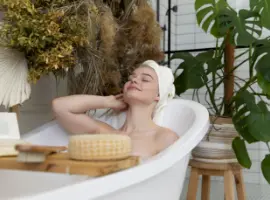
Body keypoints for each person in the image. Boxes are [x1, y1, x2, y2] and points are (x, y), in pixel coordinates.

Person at [52, 60, 179, 159]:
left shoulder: (164, 137)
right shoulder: (105, 133)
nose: (134, 80)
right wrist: (107, 101)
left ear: (158, 95)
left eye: (145, 79)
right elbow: (59, 107)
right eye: (131, 78)